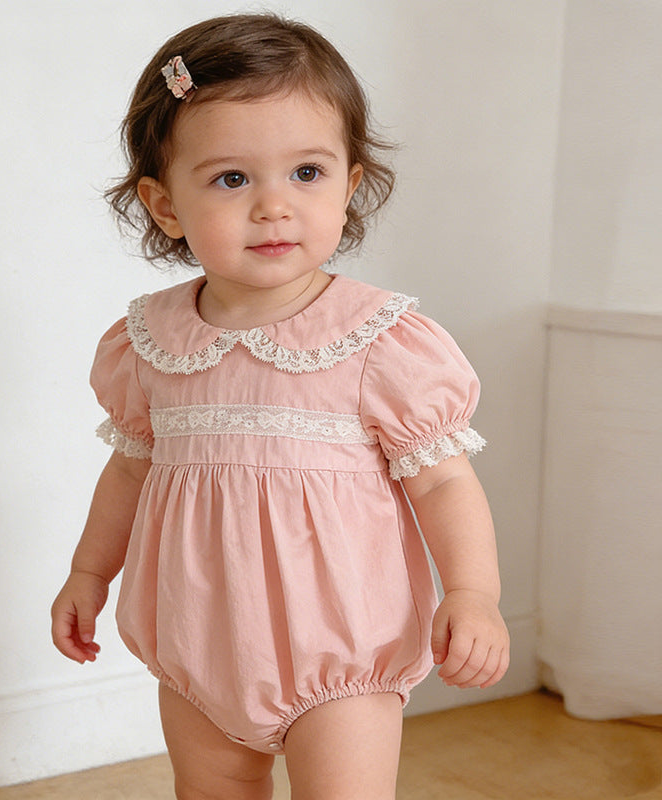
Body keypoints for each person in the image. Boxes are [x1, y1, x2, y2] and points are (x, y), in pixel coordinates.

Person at [51, 12, 509, 800]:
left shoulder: (377, 341)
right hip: (198, 646)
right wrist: (89, 571)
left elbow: (441, 481)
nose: (274, 205)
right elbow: (129, 470)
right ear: (165, 205)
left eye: (306, 173)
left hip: (343, 652)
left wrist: (475, 593)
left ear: (349, 186)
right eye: (232, 179)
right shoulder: (152, 341)